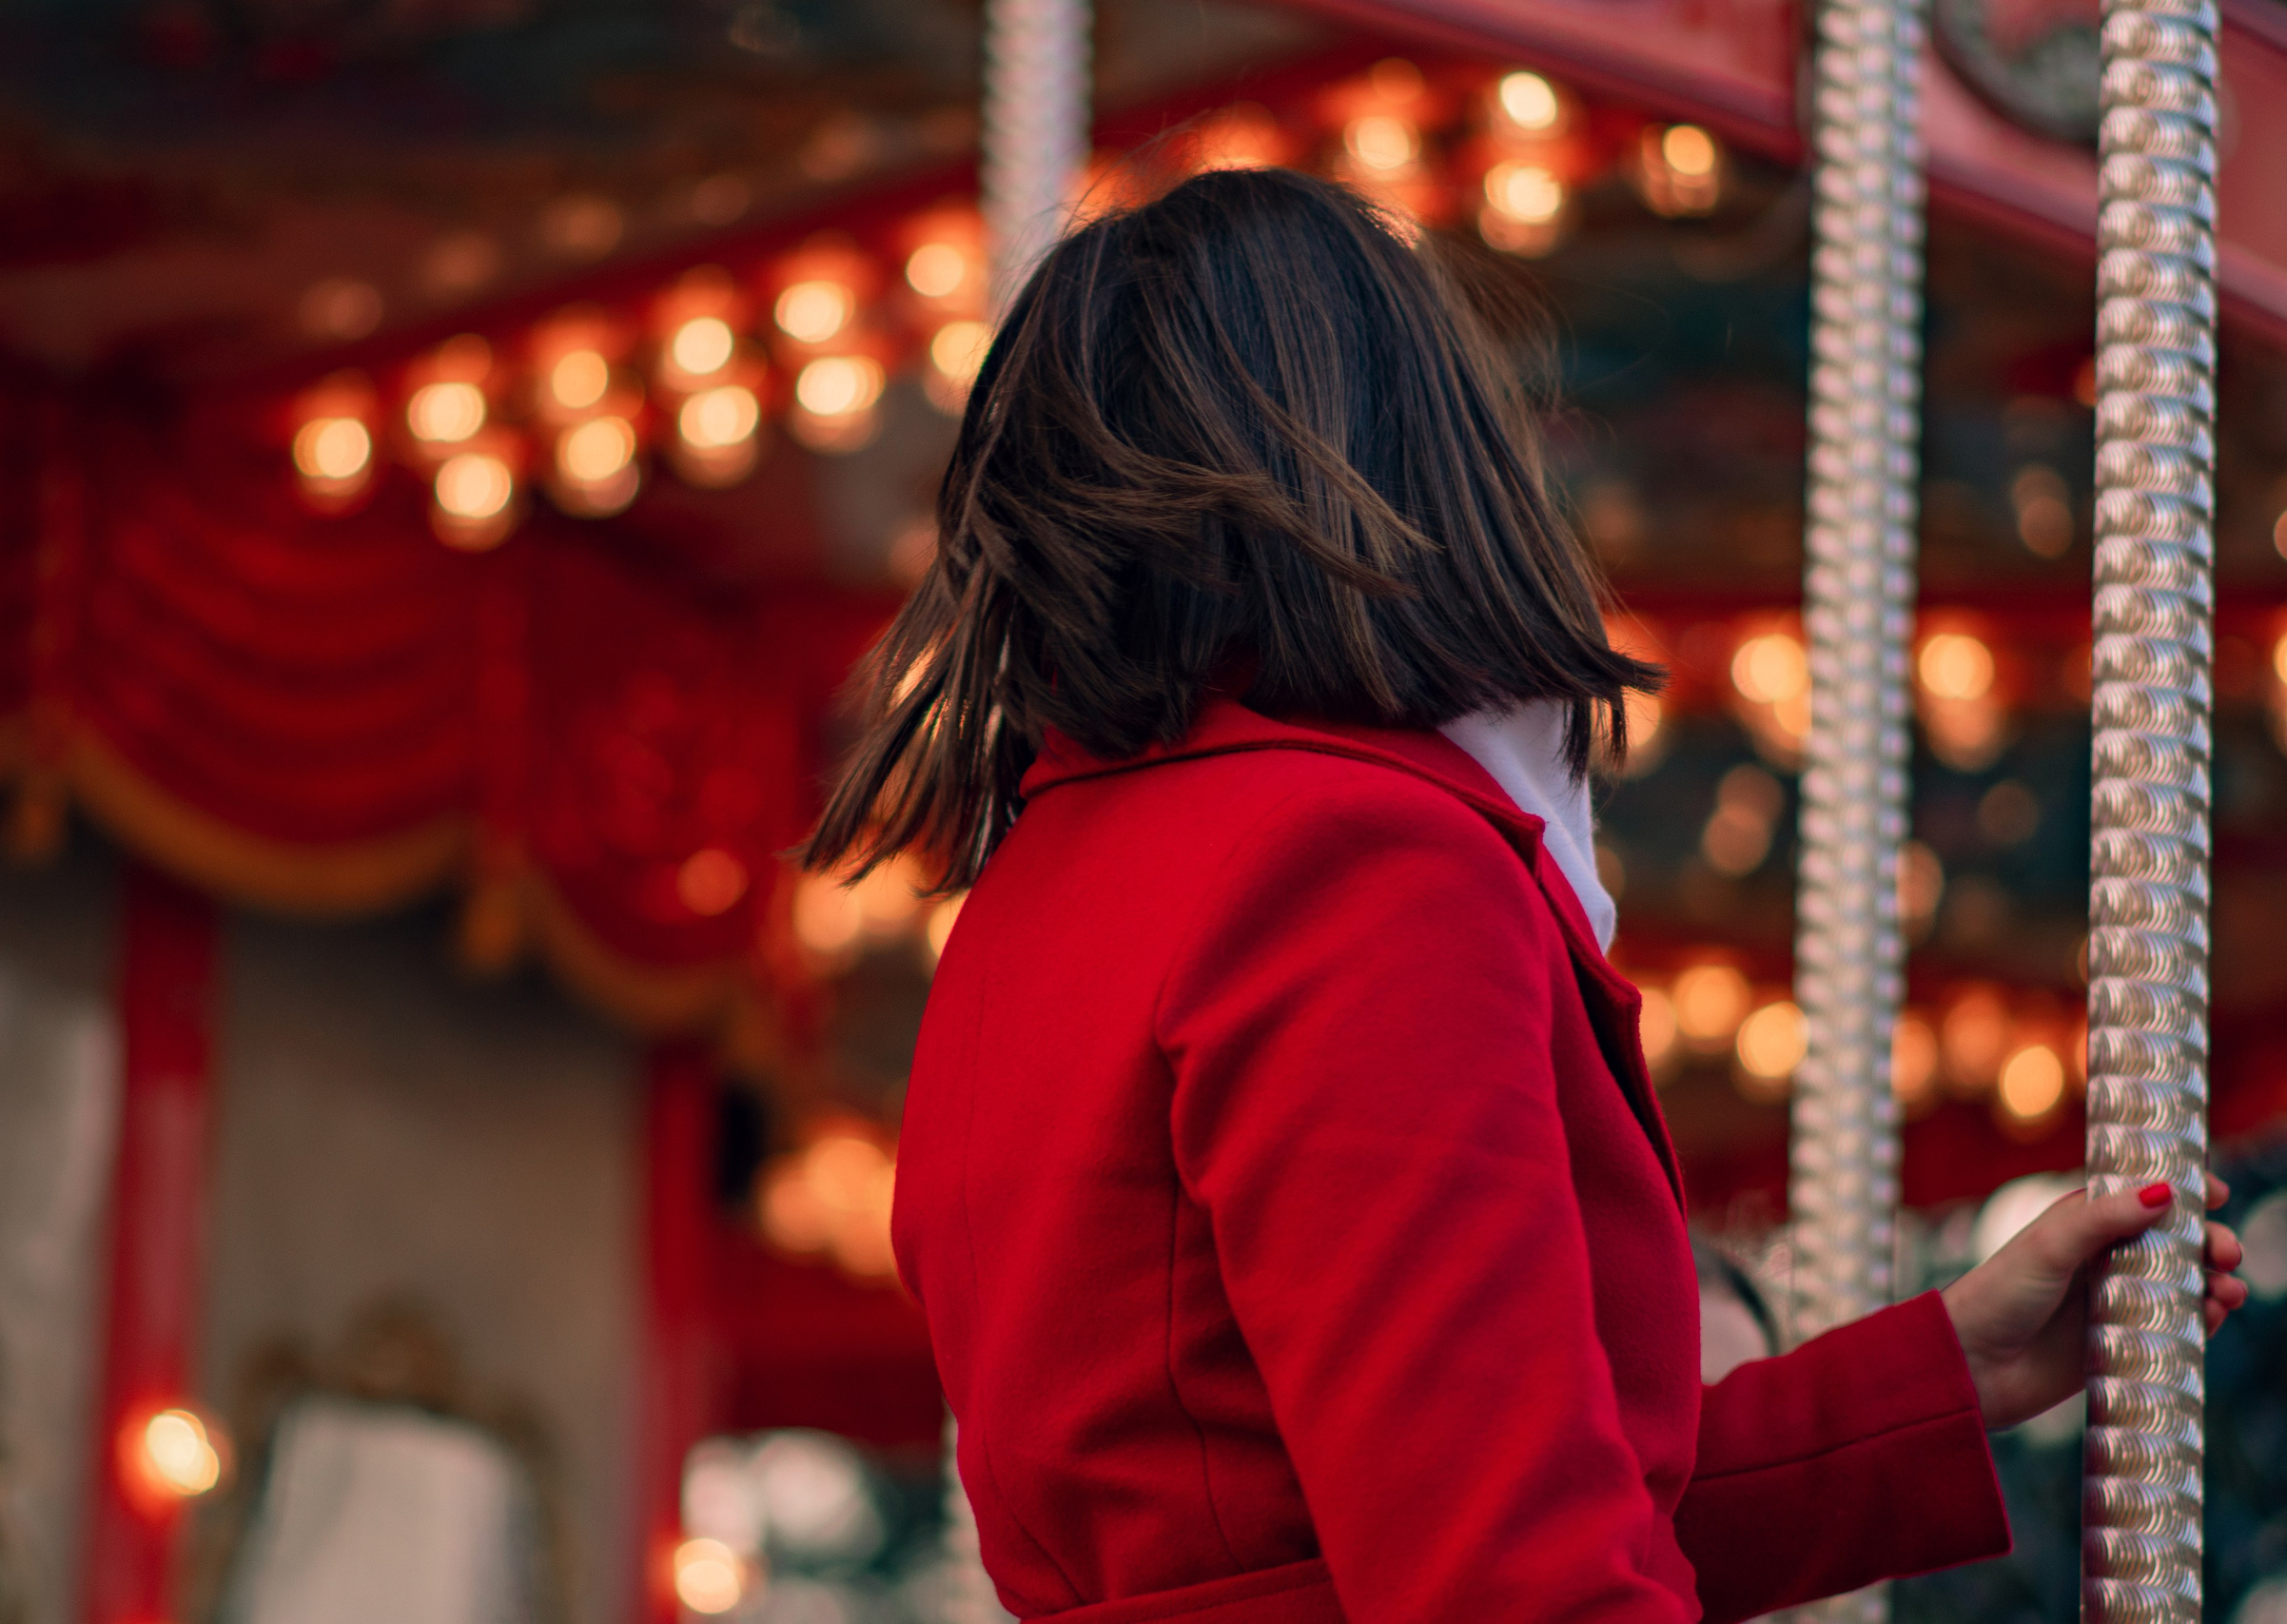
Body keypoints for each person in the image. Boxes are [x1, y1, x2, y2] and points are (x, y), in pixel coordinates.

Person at [802, 168, 2247, 1624]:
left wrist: (1941, 1375)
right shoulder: (1352, 861)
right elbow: (1507, 1576)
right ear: (1418, 448)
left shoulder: (1029, 896)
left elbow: (1414, 1506)